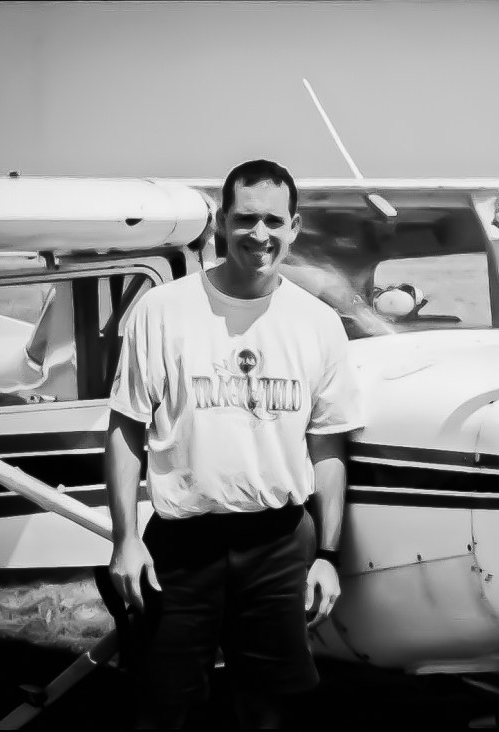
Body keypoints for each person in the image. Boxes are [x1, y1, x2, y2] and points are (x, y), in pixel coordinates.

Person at [105, 159, 362, 729]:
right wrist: (125, 540)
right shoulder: (162, 311)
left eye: (274, 220)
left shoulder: (319, 324)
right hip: (182, 544)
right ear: (222, 222)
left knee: (268, 706)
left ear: (295, 227)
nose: (259, 234)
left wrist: (327, 557)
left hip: (279, 542)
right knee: (163, 703)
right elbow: (126, 428)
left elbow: (327, 447)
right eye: (245, 219)